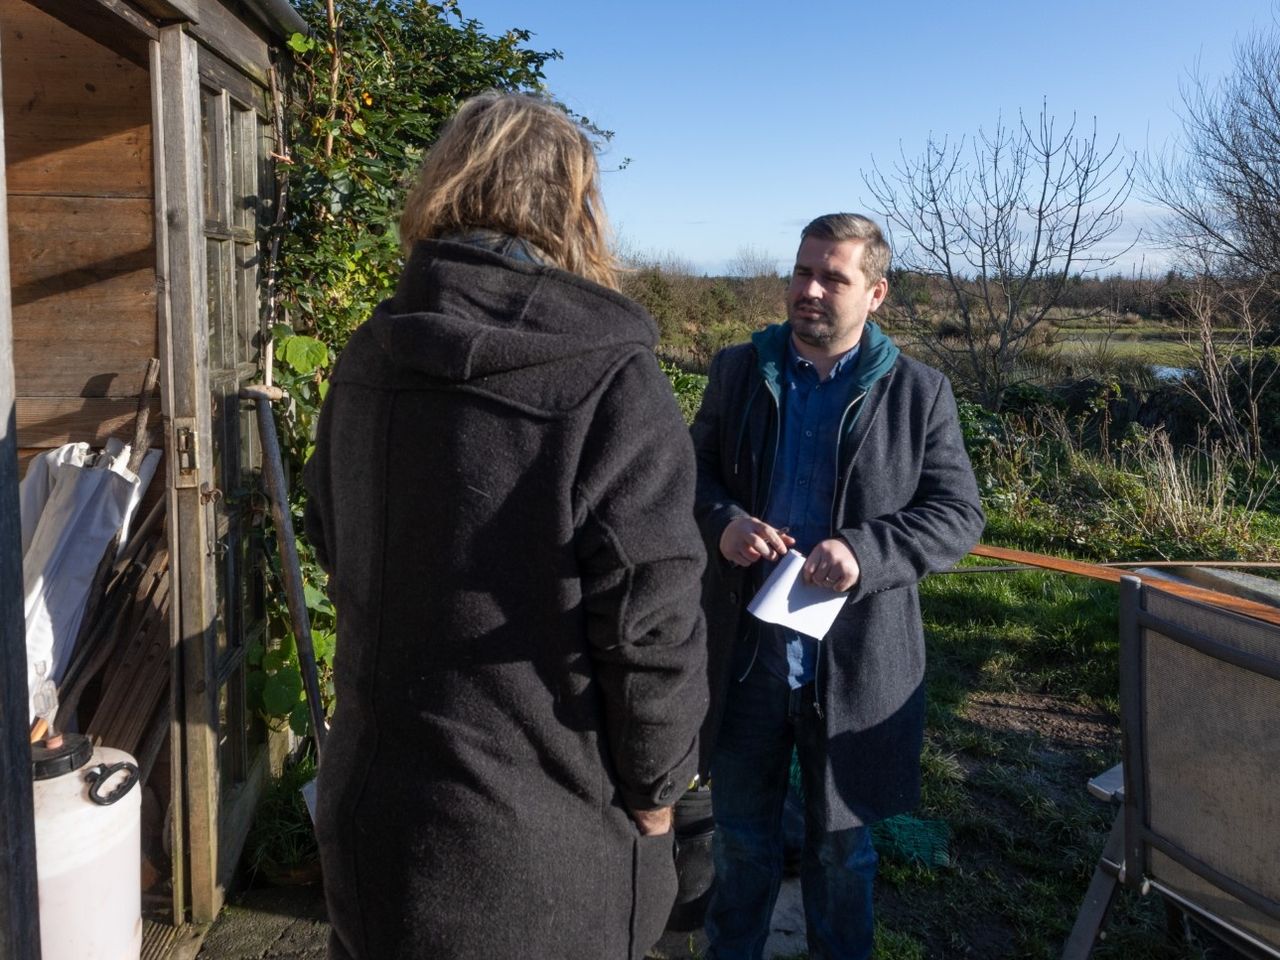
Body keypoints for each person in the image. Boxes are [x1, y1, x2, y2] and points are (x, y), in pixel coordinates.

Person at [303, 91, 707, 960]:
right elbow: (653, 616)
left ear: (444, 187)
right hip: (541, 852)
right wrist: (658, 787)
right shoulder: (609, 377)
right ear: (575, 207)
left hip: (374, 821)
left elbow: (330, 533)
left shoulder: (371, 355)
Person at [691, 213, 984, 959]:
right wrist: (723, 521)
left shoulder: (920, 393)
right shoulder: (737, 372)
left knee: (842, 857)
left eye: (833, 277)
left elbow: (957, 515)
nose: (809, 290)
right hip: (748, 656)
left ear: (876, 292)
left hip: (854, 667)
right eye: (801, 271)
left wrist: (865, 553)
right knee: (740, 845)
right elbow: (691, 475)